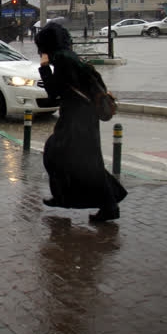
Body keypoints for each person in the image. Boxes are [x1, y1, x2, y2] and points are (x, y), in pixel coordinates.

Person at [36, 22, 127, 222]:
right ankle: (105, 204)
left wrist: (44, 68)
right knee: (85, 162)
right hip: (84, 117)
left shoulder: (62, 61)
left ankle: (71, 198)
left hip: (77, 119)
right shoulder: (71, 57)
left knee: (57, 155)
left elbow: (55, 93)